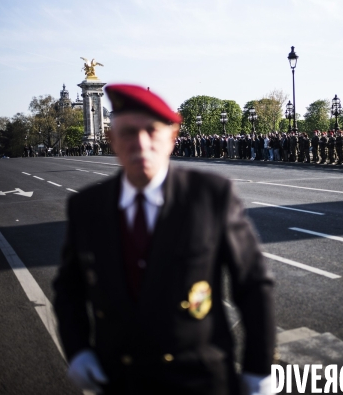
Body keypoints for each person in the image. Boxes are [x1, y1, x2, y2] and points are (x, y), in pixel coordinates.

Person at [53, 84, 275, 395]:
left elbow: (252, 284)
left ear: (172, 138)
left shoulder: (211, 195)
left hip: (200, 379)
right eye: (129, 132)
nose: (141, 143)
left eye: (152, 131)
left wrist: (258, 367)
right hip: (120, 379)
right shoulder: (86, 206)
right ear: (111, 139)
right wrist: (77, 349)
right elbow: (69, 288)